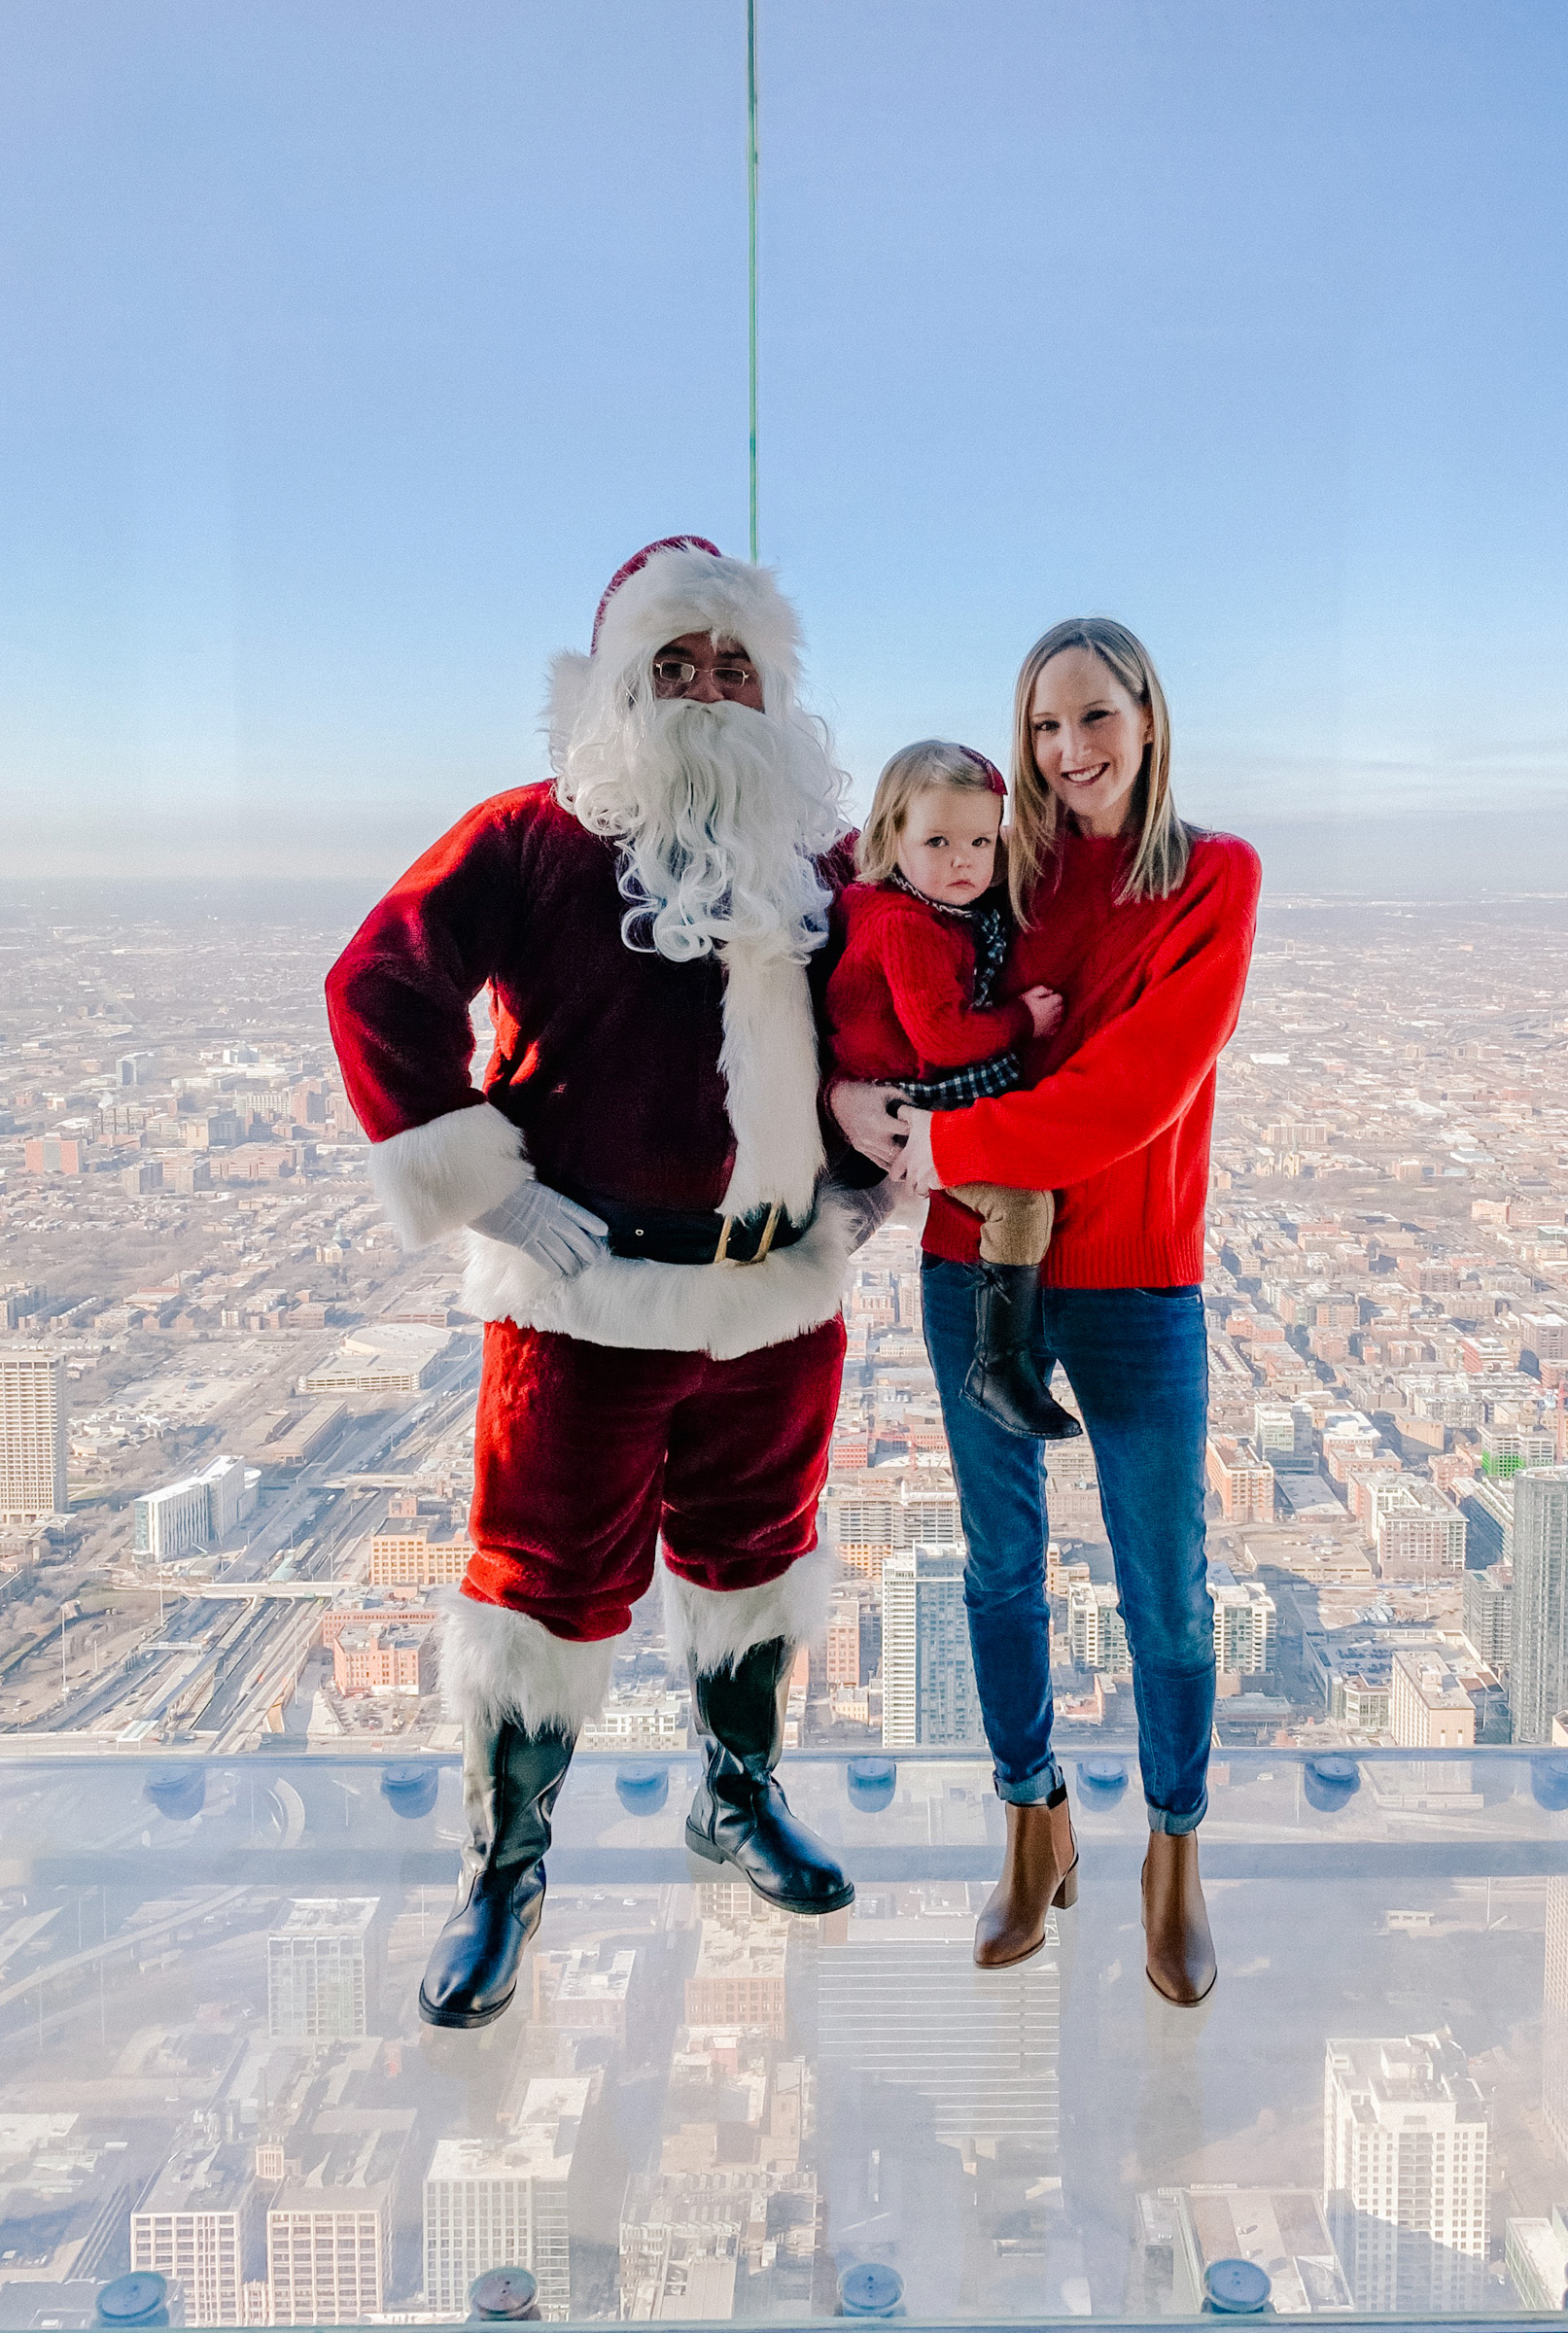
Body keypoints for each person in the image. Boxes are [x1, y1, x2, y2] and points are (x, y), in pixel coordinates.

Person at [327, 536, 872, 2032]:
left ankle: (737, 1798)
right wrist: (489, 1184)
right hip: (586, 1302)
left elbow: (890, 1017)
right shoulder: (530, 840)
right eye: (677, 665)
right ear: (620, 684)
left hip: (772, 1293)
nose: (710, 690)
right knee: (542, 1589)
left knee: (758, 1558)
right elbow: (379, 979)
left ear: (777, 693)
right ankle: (505, 1868)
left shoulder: (818, 865)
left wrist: (877, 1161)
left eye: (736, 664)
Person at [834, 616, 1260, 2002]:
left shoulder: (1214, 878)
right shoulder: (989, 866)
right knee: (998, 1572)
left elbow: (1138, 1092)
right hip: (972, 1263)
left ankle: (1175, 1855)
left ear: (1148, 716)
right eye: (1041, 727)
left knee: (1167, 1595)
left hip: (1135, 1272)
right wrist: (846, 1098)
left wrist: (945, 1146)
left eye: (1092, 718)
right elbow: (848, 929)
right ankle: (1034, 1824)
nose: (1067, 751)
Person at [822, 738, 1080, 1440]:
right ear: (890, 838)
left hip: (924, 1092)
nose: (962, 860)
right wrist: (1022, 1018)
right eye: (936, 840)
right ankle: (999, 1366)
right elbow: (944, 1038)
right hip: (909, 1105)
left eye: (978, 840)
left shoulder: (926, 904)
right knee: (1022, 1207)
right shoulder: (905, 925)